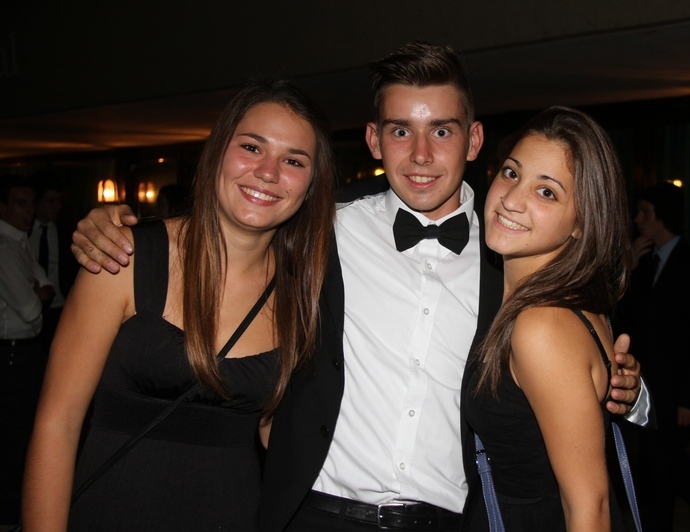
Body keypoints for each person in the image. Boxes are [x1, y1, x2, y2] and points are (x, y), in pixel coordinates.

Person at [71, 42, 648, 532]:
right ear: (374, 140)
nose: (421, 155)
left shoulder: (514, 251)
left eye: (441, 131)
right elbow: (229, 229)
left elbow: (569, 366)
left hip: (451, 521)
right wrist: (116, 228)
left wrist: (630, 391)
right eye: (400, 131)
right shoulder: (320, 228)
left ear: (473, 141)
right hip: (314, 513)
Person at [21, 79, 337, 532]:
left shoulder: (303, 293)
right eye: (251, 147)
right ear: (217, 152)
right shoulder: (124, 256)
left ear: (311, 185)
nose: (268, 172)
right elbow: (58, 423)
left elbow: (280, 435)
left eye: (293, 161)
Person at [463, 107, 630, 531]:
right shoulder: (559, 301)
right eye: (511, 173)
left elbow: (589, 507)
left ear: (581, 223)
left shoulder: (541, 326)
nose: (511, 199)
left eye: (547, 192)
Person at [614, 181, 690, 531]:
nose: (637, 220)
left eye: (645, 213)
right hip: (649, 385)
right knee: (655, 465)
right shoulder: (644, 262)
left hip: (676, 388)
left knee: (666, 466)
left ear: (663, 217)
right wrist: (627, 269)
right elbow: (627, 320)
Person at [0, 176, 53, 528]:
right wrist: (39, 292)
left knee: (24, 438)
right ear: (2, 207)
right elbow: (33, 308)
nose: (30, 211)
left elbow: (48, 287)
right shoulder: (4, 247)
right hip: (10, 355)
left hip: (25, 353)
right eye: (21, 203)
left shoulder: (20, 240)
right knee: (12, 439)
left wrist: (39, 291)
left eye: (32, 203)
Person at [28, 173, 78, 352]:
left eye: (59, 200)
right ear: (37, 202)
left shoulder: (68, 231)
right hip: (31, 308)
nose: (57, 206)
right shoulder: (23, 232)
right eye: (51, 200)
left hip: (62, 307)